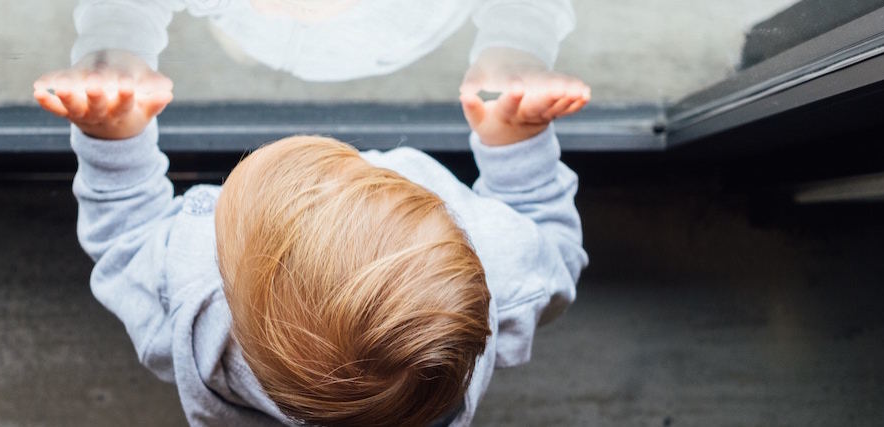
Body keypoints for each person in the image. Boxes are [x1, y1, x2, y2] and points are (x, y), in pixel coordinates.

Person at [31, 42, 591, 425]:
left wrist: (112, 140)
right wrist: (518, 146)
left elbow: (128, 241)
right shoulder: (500, 261)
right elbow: (555, 251)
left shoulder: (191, 298)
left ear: (227, 280)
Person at [69, 0, 580, 93]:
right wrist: (115, 49)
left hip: (398, 43)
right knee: (241, 48)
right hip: (245, 36)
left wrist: (514, 50)